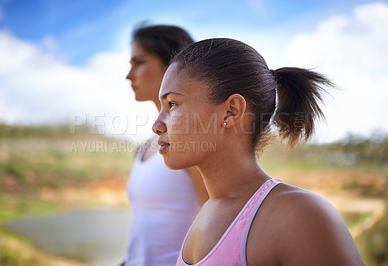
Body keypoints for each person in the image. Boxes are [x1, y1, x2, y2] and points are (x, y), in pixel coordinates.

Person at [152, 38, 364, 266]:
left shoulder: (299, 216)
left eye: (172, 104)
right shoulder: (206, 213)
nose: (156, 125)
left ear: (231, 111)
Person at [123, 25, 208, 266]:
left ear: (173, 65)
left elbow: (219, 224)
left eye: (138, 62)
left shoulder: (192, 144)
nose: (129, 75)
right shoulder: (142, 149)